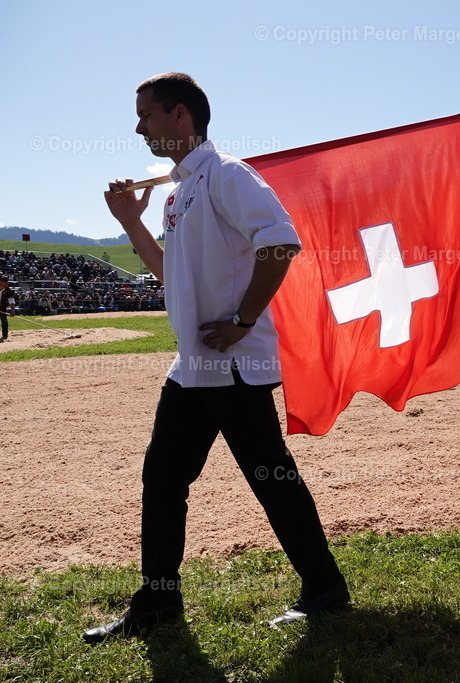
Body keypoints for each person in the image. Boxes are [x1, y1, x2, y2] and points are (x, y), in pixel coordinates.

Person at [85, 73, 347, 644]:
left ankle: (325, 588)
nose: (138, 127)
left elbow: (280, 242)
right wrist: (130, 221)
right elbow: (170, 275)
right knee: (163, 476)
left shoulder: (226, 173)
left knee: (270, 476)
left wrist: (244, 320)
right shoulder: (178, 191)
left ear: (181, 115)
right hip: (194, 367)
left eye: (146, 115)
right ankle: (158, 601)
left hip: (233, 365)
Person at [0, 276, 15, 342]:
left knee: (4, 321)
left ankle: (5, 335)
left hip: (2, 307)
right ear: (1, 282)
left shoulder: (8, 291)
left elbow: (11, 301)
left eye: (7, 283)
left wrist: (12, 310)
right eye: (5, 282)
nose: (7, 284)